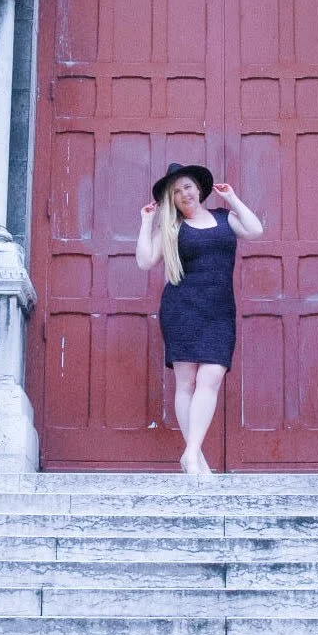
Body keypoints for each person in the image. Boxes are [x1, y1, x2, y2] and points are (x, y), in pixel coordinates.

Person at [136, 162, 264, 476]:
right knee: (187, 383)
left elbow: (256, 229)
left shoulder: (225, 218)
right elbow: (144, 261)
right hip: (182, 308)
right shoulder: (172, 226)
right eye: (177, 191)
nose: (184, 194)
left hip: (220, 310)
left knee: (211, 378)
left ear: (199, 188)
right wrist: (147, 222)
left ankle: (190, 453)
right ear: (172, 199)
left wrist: (232, 198)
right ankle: (195, 459)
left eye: (188, 187)